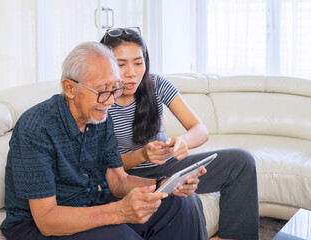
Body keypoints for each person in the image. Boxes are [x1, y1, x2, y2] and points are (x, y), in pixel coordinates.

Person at [0, 41, 198, 240]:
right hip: (37, 225)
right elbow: (47, 220)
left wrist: (164, 185)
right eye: (103, 90)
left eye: (115, 89)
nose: (111, 101)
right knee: (121, 236)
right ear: (69, 88)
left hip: (89, 203)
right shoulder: (36, 127)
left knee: (175, 204)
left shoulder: (100, 116)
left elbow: (119, 182)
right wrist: (118, 212)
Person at [101, 27, 260, 240]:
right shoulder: (102, 102)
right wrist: (143, 155)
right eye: (121, 65)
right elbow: (108, 170)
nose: (131, 73)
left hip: (169, 168)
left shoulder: (157, 85)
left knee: (242, 161)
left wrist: (182, 141)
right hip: (129, 177)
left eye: (138, 63)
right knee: (188, 201)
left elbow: (200, 130)